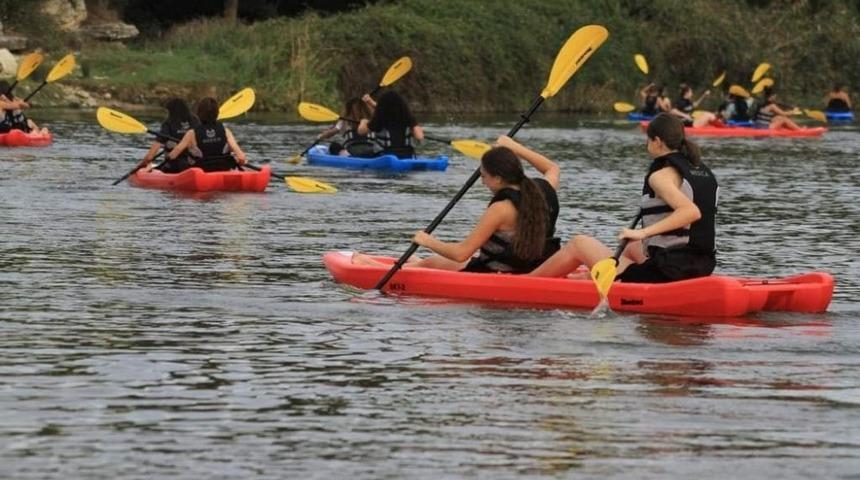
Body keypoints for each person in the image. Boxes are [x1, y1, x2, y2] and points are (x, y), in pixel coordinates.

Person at [530, 113, 718, 283]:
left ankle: (527, 281)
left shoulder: (660, 176)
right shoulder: (700, 170)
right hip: (701, 266)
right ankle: (590, 278)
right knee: (632, 247)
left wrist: (643, 232)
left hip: (668, 272)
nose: (647, 145)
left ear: (658, 141)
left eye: (648, 140)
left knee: (579, 243)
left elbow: (690, 212)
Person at [352, 135, 560, 273]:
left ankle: (371, 267)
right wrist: (515, 147)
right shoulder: (539, 191)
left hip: (497, 272)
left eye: (484, 176)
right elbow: (552, 168)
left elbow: (461, 253)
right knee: (431, 262)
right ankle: (411, 264)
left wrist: (427, 240)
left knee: (430, 262)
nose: (482, 181)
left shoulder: (501, 208)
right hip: (528, 266)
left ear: (497, 179)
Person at [166, 97, 247, 172]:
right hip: (223, 168)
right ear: (217, 113)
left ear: (199, 114)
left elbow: (173, 155)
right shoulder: (226, 131)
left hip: (201, 171)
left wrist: (168, 157)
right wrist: (239, 161)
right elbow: (241, 157)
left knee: (178, 163)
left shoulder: (191, 133)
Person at [137, 98, 200, 173]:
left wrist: (141, 166)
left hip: (174, 165)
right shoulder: (195, 120)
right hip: (196, 163)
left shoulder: (168, 123)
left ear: (172, 111)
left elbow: (150, 156)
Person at [357, 91, 424, 158]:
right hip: (406, 155)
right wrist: (414, 130)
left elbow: (361, 131)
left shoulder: (379, 119)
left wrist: (363, 122)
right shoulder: (409, 119)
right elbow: (420, 137)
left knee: (361, 153)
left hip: (384, 156)